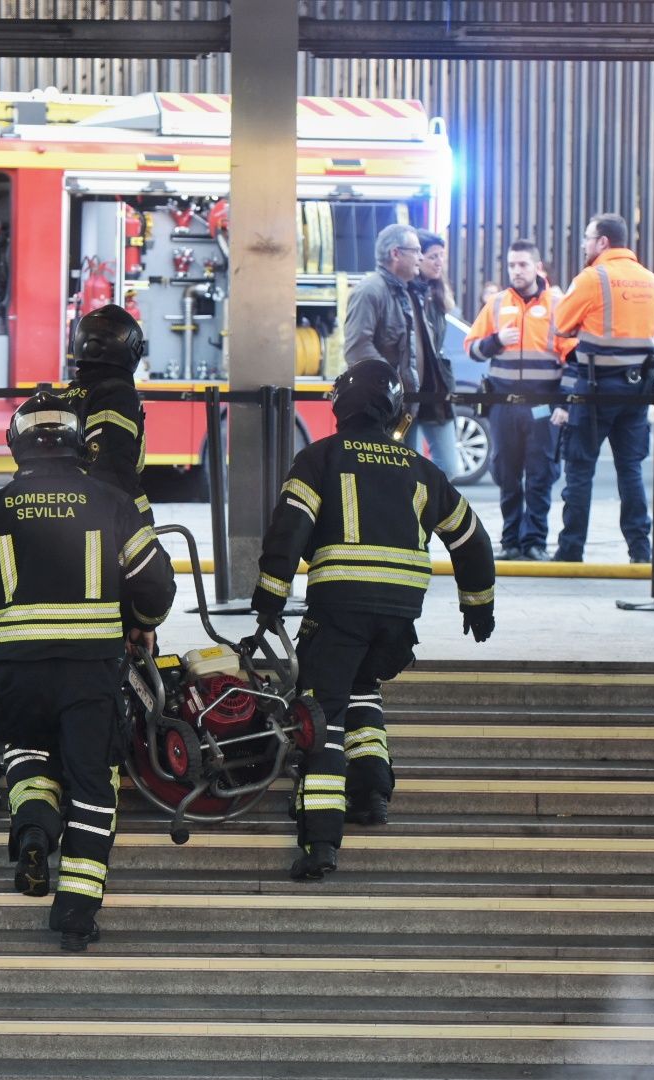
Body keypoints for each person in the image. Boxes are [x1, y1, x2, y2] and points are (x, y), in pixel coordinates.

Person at [0, 393, 176, 951]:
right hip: (91, 671)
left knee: (26, 756)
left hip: (17, 671)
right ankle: (75, 912)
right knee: (93, 785)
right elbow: (156, 585)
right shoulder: (114, 503)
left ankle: (36, 830)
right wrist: (141, 622)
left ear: (16, 444)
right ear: (79, 441)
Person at [251, 359, 495, 881]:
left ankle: (321, 842)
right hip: (398, 622)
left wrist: (269, 598)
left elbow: (287, 531)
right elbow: (472, 538)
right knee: (363, 690)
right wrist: (479, 603)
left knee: (322, 717)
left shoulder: (320, 458)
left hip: (338, 614)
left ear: (340, 405)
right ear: (393, 408)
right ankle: (372, 794)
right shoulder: (421, 470)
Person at [550, 213, 654, 564]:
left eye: (587, 238)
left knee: (580, 469)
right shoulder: (650, 280)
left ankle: (571, 551)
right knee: (630, 470)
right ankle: (641, 552)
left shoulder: (592, 278)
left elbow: (560, 324)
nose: (584, 244)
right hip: (637, 388)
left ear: (602, 242)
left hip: (595, 389)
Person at [466, 238, 576, 561]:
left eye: (523, 264)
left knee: (541, 473)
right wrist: (495, 341)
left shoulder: (558, 304)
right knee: (506, 473)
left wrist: (564, 404)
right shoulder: (498, 304)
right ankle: (511, 540)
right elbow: (471, 347)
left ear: (537, 267)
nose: (516, 270)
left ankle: (535, 542)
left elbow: (573, 358)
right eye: (512, 265)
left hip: (542, 407)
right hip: (503, 405)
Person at [66, 303, 153, 522]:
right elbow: (114, 470)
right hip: (108, 523)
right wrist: (138, 525)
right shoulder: (117, 395)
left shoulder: (66, 395)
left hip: (69, 518)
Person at [343, 222, 423, 427]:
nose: (420, 258)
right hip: (375, 409)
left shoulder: (402, 292)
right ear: (396, 253)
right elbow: (357, 348)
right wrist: (391, 383)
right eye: (415, 251)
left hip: (398, 408)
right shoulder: (369, 291)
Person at [406, 229, 460, 476]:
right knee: (407, 467)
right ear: (418, 259)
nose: (440, 262)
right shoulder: (405, 292)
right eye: (433, 256)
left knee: (449, 467)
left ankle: (430, 509)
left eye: (442, 256)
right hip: (409, 390)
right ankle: (415, 513)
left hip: (436, 390)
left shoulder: (436, 295)